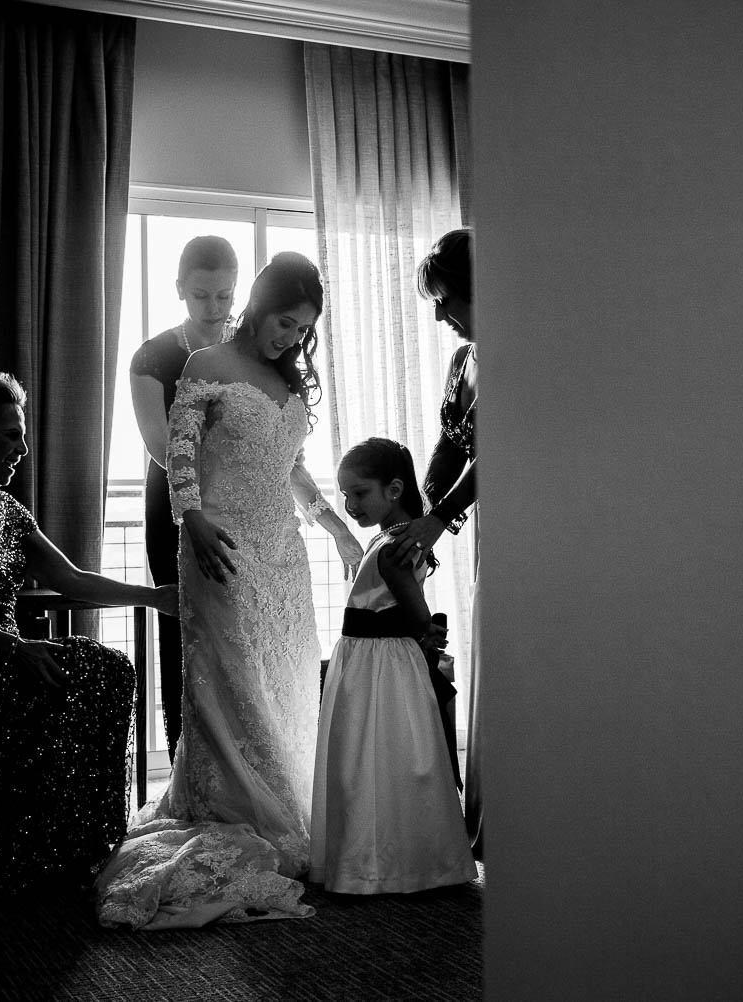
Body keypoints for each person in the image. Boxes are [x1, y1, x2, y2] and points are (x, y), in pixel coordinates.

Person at [96, 251, 364, 930]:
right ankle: (236, 812)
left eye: (302, 330)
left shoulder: (288, 383)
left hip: (283, 553)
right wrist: (194, 515)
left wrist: (335, 528)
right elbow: (177, 452)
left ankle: (288, 805)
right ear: (259, 304)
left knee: (285, 681)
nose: (290, 339)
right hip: (219, 543)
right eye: (284, 322)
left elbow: (293, 470)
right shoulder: (204, 367)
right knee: (232, 678)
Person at [0, 368, 179, 902]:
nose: (23, 448)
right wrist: (14, 646)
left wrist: (155, 597)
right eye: (11, 435)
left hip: (15, 653)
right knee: (33, 694)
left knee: (109, 670)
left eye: (23, 435)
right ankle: (12, 850)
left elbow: (71, 579)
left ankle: (84, 847)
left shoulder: (9, 511)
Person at [310, 438, 477, 894]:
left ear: (394, 489)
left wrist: (429, 632)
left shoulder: (394, 547)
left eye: (358, 493)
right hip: (370, 659)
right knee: (384, 755)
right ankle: (389, 856)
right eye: (344, 495)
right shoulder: (387, 539)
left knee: (378, 753)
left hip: (380, 665)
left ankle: (382, 860)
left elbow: (414, 607)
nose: (349, 505)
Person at [128, 235, 239, 766]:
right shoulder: (153, 355)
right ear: (179, 290)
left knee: (236, 627)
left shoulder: (246, 348)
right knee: (181, 623)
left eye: (224, 296)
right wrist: (194, 503)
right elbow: (158, 444)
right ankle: (184, 760)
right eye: (202, 296)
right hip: (172, 504)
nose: (214, 310)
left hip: (238, 501)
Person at [393, 226, 483, 859]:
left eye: (446, 297)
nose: (439, 313)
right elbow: (453, 445)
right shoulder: (464, 361)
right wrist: (416, 512)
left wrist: (438, 519)